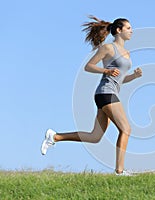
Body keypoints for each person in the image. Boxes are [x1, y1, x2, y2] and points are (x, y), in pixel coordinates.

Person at [41, 16, 142, 176]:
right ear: (118, 30)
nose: (131, 31)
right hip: (105, 93)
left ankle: (55, 137)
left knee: (95, 137)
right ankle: (120, 171)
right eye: (128, 28)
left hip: (111, 93)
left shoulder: (126, 53)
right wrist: (106, 71)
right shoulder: (108, 48)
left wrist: (134, 76)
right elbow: (89, 67)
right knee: (126, 129)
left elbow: (121, 79)